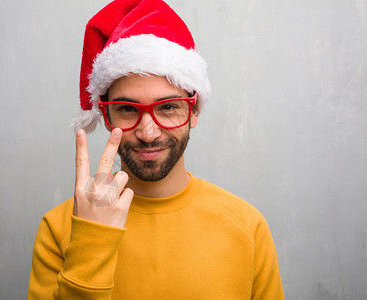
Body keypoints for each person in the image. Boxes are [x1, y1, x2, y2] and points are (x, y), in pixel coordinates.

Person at [28, 0, 284, 299]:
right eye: (126, 108)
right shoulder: (60, 227)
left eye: (168, 107)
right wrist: (91, 241)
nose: (148, 133)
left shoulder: (247, 225)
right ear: (106, 116)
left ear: (195, 111)